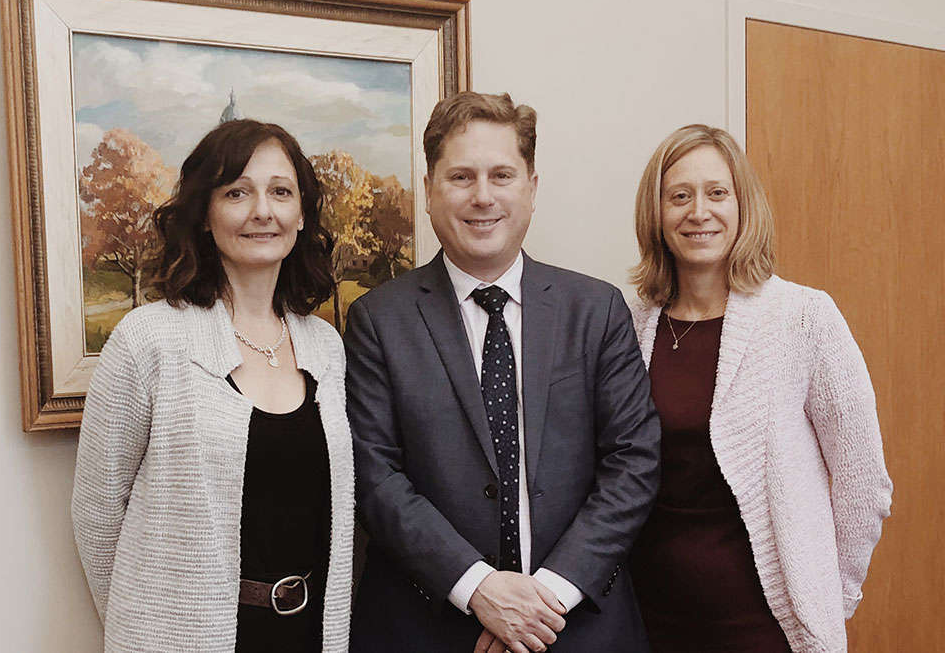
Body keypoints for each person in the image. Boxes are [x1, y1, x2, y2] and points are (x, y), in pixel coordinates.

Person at [345, 91, 660, 653]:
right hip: (429, 628)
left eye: (502, 175)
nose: (483, 196)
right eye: (461, 176)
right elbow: (375, 478)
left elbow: (633, 462)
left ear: (532, 188)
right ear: (429, 190)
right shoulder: (377, 319)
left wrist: (546, 601)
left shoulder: (596, 310)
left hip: (580, 625)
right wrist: (480, 589)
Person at [71, 119, 354, 653]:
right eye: (237, 193)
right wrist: (147, 625)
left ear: (300, 215)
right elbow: (97, 512)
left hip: (308, 634)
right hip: (181, 636)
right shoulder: (148, 339)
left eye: (280, 192)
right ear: (204, 214)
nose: (262, 211)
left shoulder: (326, 347)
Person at [627, 124, 893, 653]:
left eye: (716, 193)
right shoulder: (629, 321)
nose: (698, 211)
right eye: (679, 196)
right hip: (646, 616)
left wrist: (826, 598)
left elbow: (864, 483)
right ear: (656, 214)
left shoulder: (803, 317)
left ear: (743, 205)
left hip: (763, 623)